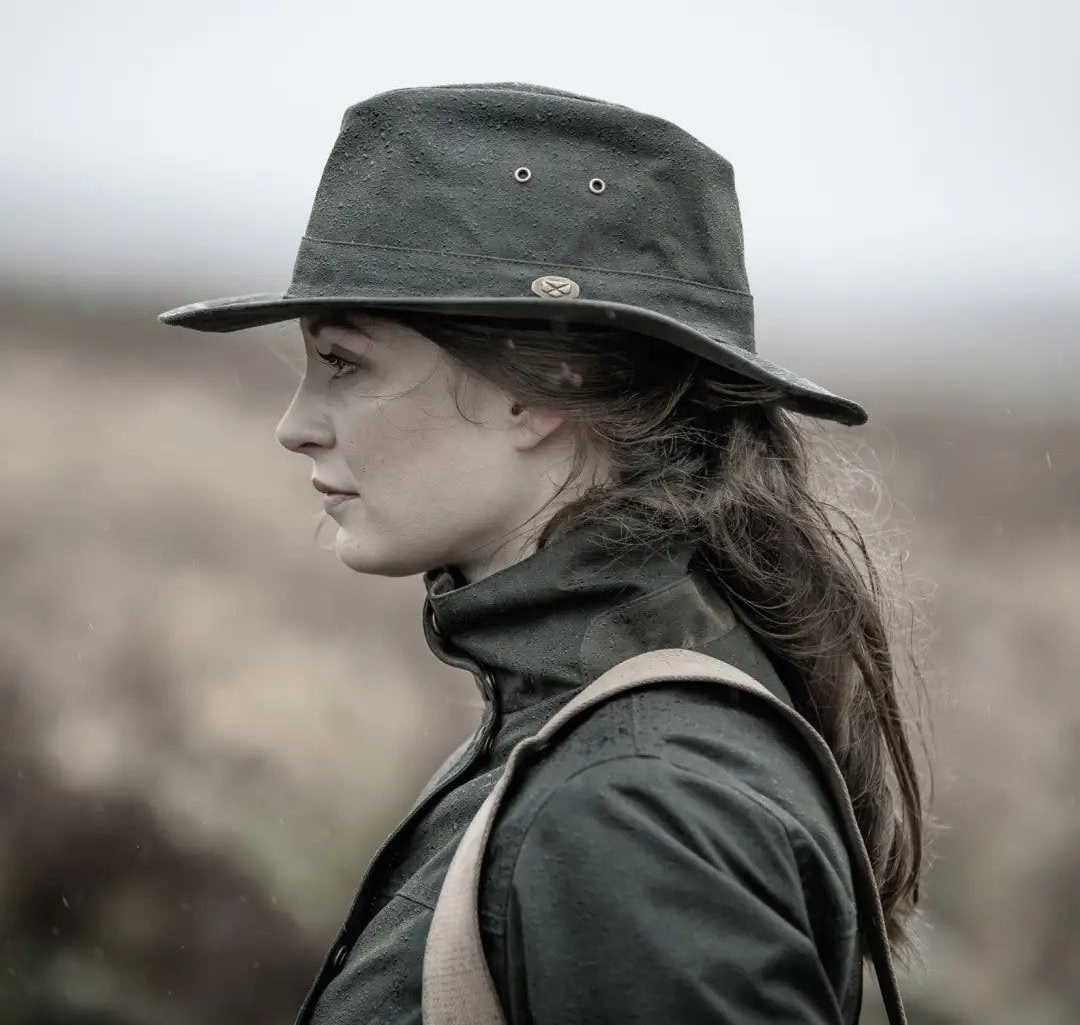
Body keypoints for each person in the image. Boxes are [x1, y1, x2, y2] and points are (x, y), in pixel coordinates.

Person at [159, 81, 932, 1024]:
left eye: (346, 363)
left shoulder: (636, 805)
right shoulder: (585, 731)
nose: (296, 425)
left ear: (543, 388)